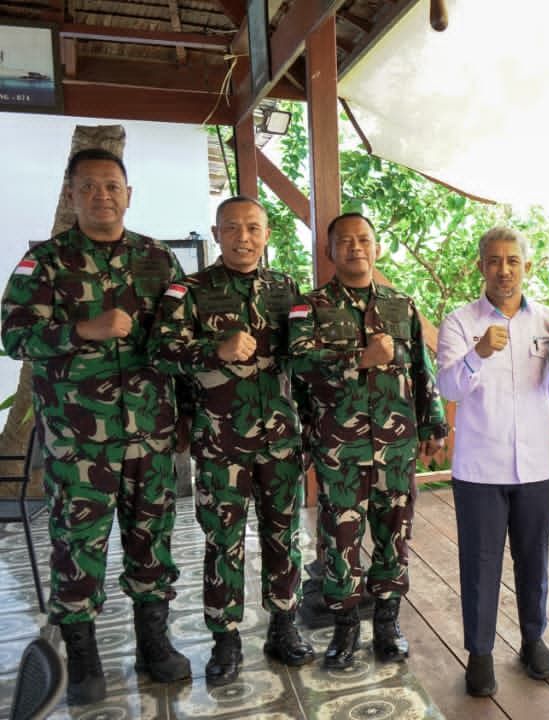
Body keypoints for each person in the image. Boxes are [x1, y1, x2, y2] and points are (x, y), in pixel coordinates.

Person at [1, 148, 191, 705]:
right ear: (71, 195)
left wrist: (182, 416)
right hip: (80, 439)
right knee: (77, 545)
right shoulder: (48, 263)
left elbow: (179, 341)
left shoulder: (158, 260)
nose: (102, 195)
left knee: (151, 539)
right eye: (89, 187)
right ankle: (82, 657)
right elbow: (13, 335)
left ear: (128, 194)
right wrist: (81, 330)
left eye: (112, 185)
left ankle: (153, 645)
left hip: (151, 435)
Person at [149, 195, 314, 686]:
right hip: (220, 440)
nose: (244, 237)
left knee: (283, 534)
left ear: (267, 235)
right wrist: (212, 349)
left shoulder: (286, 289)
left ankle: (284, 625)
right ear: (217, 233)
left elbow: (302, 364)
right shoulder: (189, 290)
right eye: (233, 228)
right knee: (223, 540)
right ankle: (226, 638)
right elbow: (158, 352)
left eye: (254, 228)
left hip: (280, 439)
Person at [289, 212, 447, 670]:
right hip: (341, 448)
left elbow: (422, 370)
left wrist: (433, 424)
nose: (356, 247)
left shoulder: (402, 305)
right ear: (330, 251)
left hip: (396, 447)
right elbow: (298, 366)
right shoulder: (310, 306)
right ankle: (345, 628)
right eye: (345, 241)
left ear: (377, 249)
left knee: (394, 533)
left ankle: (386, 621)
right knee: (340, 538)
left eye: (364, 240)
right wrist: (358, 358)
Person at [437, 226, 549, 696]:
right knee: (481, 562)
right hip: (479, 469)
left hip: (537, 466)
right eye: (494, 261)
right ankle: (480, 653)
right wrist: (478, 354)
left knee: (535, 558)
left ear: (526, 266)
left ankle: (534, 640)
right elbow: (448, 388)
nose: (504, 269)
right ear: (481, 267)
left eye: (513, 260)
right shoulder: (459, 322)